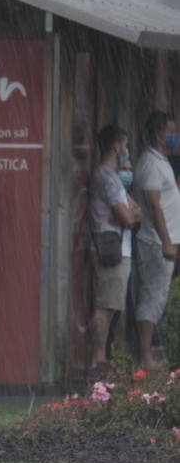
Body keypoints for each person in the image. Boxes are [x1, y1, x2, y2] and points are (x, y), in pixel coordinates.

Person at [86, 125, 142, 378]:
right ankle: (97, 358)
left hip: (118, 247)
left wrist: (133, 212)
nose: (126, 151)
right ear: (115, 146)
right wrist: (132, 214)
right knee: (105, 305)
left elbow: (134, 211)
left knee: (112, 305)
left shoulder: (113, 178)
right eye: (125, 146)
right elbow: (128, 217)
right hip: (112, 248)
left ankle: (103, 357)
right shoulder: (107, 178)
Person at [133, 110, 179, 371]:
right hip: (155, 242)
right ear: (157, 133)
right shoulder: (149, 163)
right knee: (152, 295)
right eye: (171, 131)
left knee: (160, 296)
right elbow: (154, 206)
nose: (174, 136)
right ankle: (145, 355)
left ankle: (151, 351)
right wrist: (166, 241)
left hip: (167, 241)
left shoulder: (162, 160)